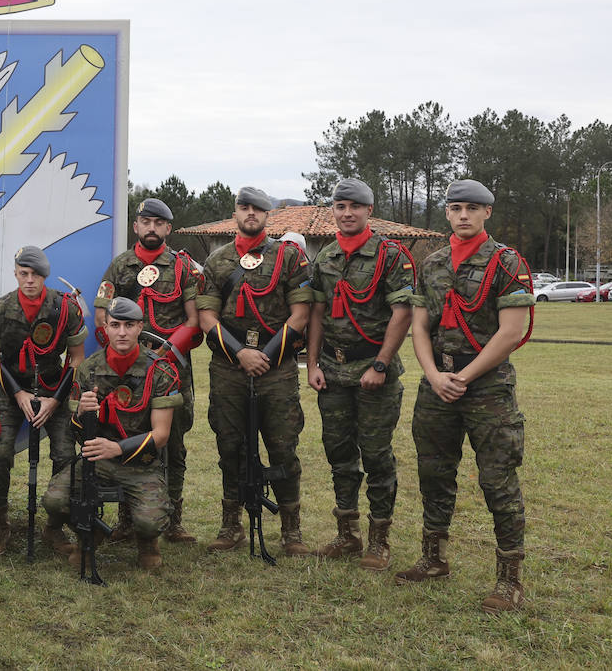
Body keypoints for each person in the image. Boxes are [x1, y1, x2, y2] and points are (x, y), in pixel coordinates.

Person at [395, 179, 534, 613]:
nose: (463, 216)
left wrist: (464, 376)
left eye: (472, 208)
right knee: (435, 474)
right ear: (447, 213)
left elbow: (511, 331)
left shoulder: (506, 262)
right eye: (456, 208)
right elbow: (420, 326)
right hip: (438, 386)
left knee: (498, 481)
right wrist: (434, 374)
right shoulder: (432, 263)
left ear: (487, 213)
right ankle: (433, 559)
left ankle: (509, 579)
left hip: (487, 388)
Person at [196, 186, 313, 555]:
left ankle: (291, 531)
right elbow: (205, 315)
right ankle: (231, 524)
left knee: (282, 445)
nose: (251, 214)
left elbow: (301, 313)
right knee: (230, 446)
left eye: (258, 209)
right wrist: (241, 354)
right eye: (244, 208)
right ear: (236, 214)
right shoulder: (218, 261)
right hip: (229, 368)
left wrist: (264, 354)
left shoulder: (289, 258)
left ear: (268, 216)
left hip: (276, 368)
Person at [306, 179, 415, 570]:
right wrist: (314, 363)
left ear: (370, 211)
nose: (347, 212)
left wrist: (381, 365)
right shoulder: (327, 257)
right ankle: (347, 534)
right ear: (332, 211)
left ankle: (379, 540)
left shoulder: (390, 255)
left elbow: (402, 313)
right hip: (333, 370)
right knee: (338, 452)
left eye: (355, 206)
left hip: (374, 370)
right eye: (340, 206)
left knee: (376, 454)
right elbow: (317, 313)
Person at [42, 297, 195, 570]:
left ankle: (148, 542)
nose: (122, 332)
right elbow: (77, 433)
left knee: (150, 521)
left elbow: (161, 435)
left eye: (129, 325)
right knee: (54, 501)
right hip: (98, 460)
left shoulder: (160, 370)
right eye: (115, 325)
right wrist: (80, 415)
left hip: (141, 463)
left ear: (139, 328)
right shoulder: (88, 369)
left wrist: (117, 448)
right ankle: (88, 534)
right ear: (106, 328)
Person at [95, 197, 204, 543]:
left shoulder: (183, 268)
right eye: (146, 222)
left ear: (168, 229)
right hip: (126, 374)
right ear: (136, 226)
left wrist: (165, 354)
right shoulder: (119, 267)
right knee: (126, 438)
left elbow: (193, 320)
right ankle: (128, 520)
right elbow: (101, 316)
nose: (152, 228)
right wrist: (127, 350)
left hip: (170, 371)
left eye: (159, 223)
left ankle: (173, 520)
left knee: (173, 444)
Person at [0, 245, 86, 556]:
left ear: (45, 276)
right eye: (24, 274)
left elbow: (77, 357)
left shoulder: (65, 308)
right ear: (15, 273)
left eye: (36, 275)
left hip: (55, 386)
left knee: (66, 454)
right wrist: (19, 393)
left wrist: (54, 400)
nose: (29, 280)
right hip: (11, 389)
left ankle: (55, 524)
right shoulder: (0, 309)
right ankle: (0, 522)